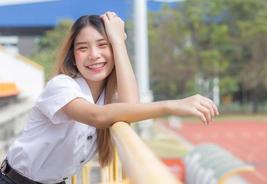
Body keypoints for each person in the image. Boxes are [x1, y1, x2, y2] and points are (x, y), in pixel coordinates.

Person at [0, 12, 219, 184]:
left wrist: (119, 42)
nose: (94, 55)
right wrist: (172, 105)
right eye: (83, 48)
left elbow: (131, 108)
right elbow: (97, 116)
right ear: (73, 58)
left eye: (103, 45)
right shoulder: (61, 86)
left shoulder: (108, 97)